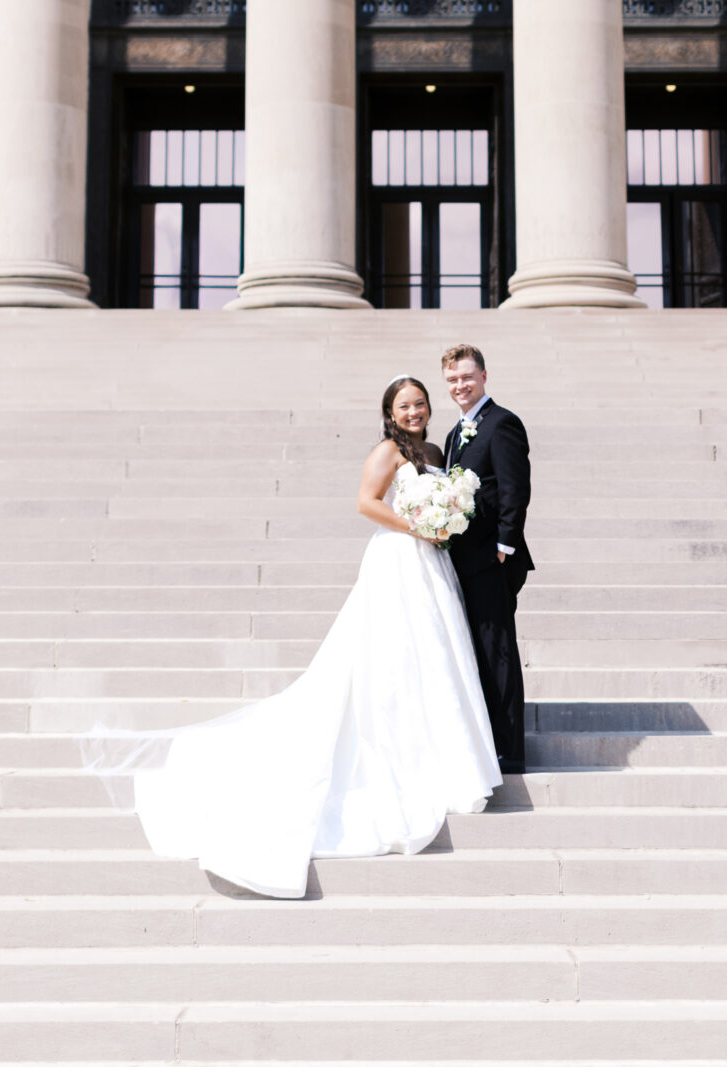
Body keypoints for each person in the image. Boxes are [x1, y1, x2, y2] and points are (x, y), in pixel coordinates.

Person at [80, 375, 499, 898]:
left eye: (419, 403)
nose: (413, 411)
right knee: (389, 656)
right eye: (403, 405)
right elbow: (367, 503)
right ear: (390, 411)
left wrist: (443, 522)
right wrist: (419, 527)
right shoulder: (387, 450)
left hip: (429, 562)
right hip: (398, 555)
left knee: (431, 655)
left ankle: (441, 753)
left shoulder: (434, 450)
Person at [437, 342, 533, 774]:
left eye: (467, 377)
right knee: (476, 649)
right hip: (463, 561)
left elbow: (515, 489)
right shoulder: (454, 434)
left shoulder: (503, 423)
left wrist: (504, 546)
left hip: (492, 560)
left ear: (484, 376)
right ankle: (485, 738)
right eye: (453, 380)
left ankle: (509, 751)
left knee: (498, 651)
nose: (461, 385)